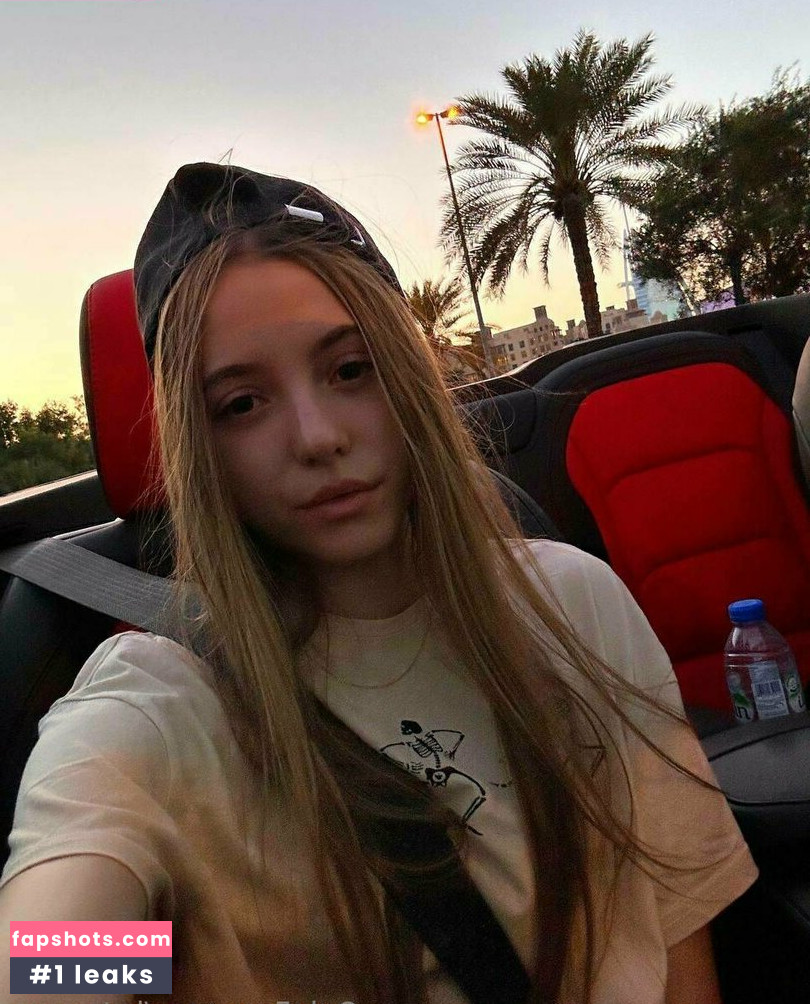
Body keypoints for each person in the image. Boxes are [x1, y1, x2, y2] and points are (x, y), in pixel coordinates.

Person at [0, 162, 758, 1004]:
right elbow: (44, 964)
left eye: (351, 369)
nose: (317, 437)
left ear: (408, 378)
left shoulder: (573, 604)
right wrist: (166, 965)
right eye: (241, 404)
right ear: (199, 447)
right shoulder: (158, 710)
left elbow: (674, 927)